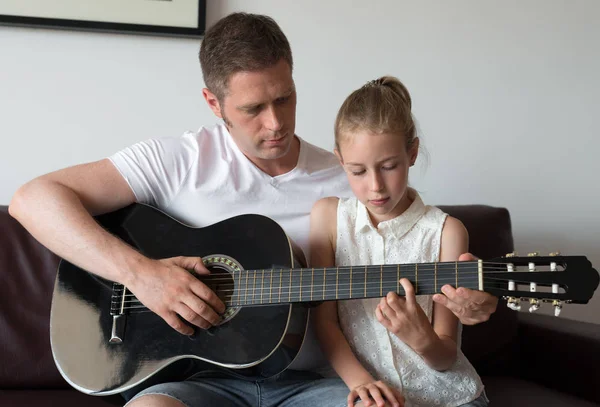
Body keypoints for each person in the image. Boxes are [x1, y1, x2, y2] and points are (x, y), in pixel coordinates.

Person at [9, 13, 495, 407]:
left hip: (317, 384)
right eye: (253, 109)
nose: (277, 123)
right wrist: (143, 275)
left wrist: (474, 295)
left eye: (285, 98)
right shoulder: (176, 160)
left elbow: (420, 248)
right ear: (213, 102)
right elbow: (34, 200)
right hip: (194, 382)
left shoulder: (349, 178)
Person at [310, 76, 489, 407]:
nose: (375, 186)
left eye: (389, 166)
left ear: (412, 153)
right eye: (358, 171)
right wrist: (362, 383)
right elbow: (324, 322)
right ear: (340, 161)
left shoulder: (446, 231)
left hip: (449, 397)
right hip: (368, 395)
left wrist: (422, 340)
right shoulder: (328, 219)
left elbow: (446, 355)